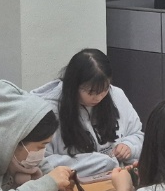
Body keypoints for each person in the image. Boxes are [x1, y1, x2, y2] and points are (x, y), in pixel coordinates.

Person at [31, 48, 144, 181]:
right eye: (91, 92)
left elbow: (138, 134)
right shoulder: (49, 111)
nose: (99, 97)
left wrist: (129, 146)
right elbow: (41, 163)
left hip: (116, 178)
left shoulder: (116, 95)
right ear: (74, 86)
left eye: (105, 89)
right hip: (71, 186)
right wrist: (99, 162)